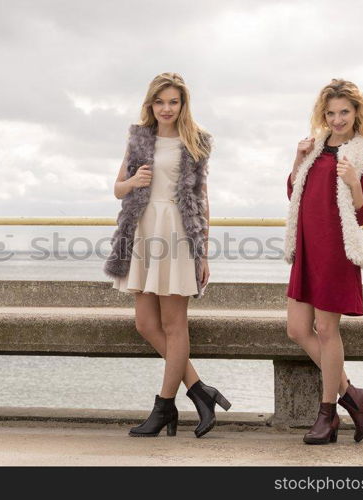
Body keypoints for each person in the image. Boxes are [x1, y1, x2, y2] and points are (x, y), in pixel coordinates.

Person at [104, 72, 231, 438]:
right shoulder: (139, 139)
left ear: (183, 104)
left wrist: (202, 253)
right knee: (146, 324)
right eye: (160, 102)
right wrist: (132, 183)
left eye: (173, 102)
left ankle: (164, 407)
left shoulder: (196, 142)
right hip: (144, 231)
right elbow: (117, 188)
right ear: (151, 104)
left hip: (177, 232)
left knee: (175, 325)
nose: (166, 108)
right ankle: (199, 391)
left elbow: (203, 200)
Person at [284, 79, 363, 444]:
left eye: (344, 111)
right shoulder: (314, 148)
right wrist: (298, 158)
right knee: (297, 329)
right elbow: (294, 191)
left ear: (357, 112)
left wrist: (354, 181)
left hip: (337, 251)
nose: (337, 119)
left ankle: (327, 415)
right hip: (308, 248)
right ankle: (352, 395)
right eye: (331, 113)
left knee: (327, 331)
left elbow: (362, 213)